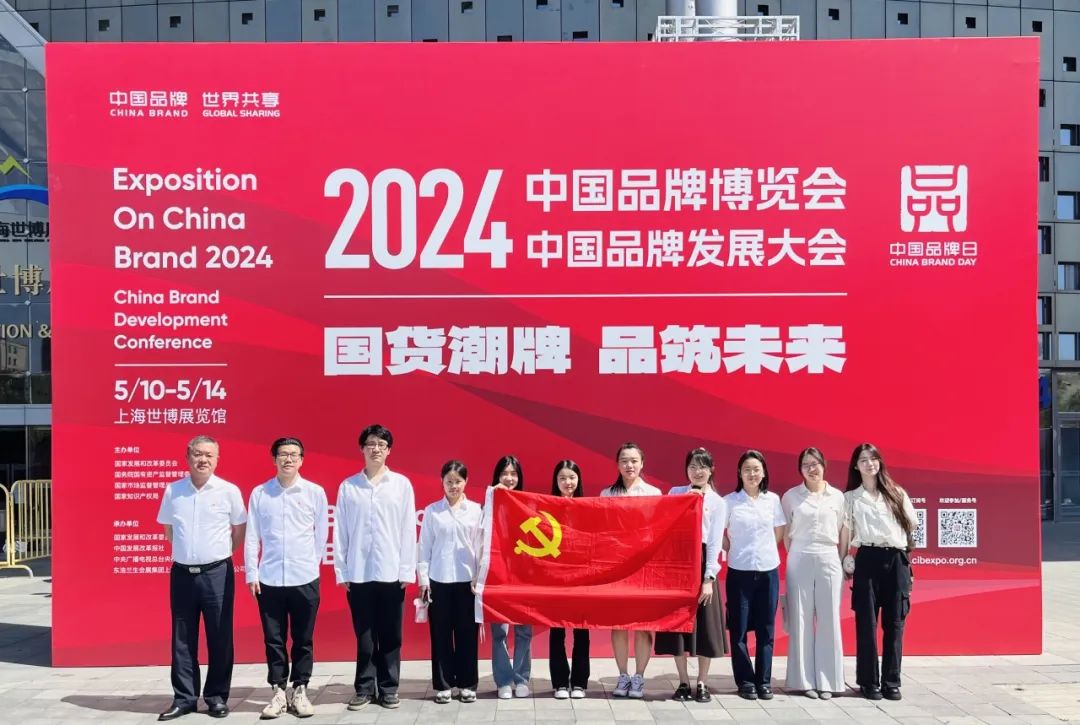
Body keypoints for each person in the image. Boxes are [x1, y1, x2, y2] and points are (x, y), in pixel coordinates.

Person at [155, 435, 246, 721]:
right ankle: (184, 699)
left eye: (209, 455)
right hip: (182, 574)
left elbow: (239, 530)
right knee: (182, 638)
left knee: (220, 636)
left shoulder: (229, 491)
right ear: (188, 456)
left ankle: (217, 697)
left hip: (217, 573)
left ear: (217, 459)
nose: (202, 459)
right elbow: (169, 530)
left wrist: (218, 555)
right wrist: (189, 554)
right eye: (197, 454)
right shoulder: (174, 490)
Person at [244, 437, 329, 719]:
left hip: (305, 577)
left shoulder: (314, 492)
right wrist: (252, 572)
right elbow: (252, 535)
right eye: (283, 454)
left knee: (303, 638)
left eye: (294, 454)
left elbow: (321, 534)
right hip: (269, 579)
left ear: (302, 460)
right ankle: (279, 691)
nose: (288, 459)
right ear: (274, 459)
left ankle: (300, 688)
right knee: (274, 639)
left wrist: (311, 564)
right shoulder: (260, 493)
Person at [333, 424, 417, 711]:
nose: (376, 449)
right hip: (358, 572)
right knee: (365, 635)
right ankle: (364, 688)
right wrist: (342, 571)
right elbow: (341, 531)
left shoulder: (401, 485)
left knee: (391, 634)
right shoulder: (349, 486)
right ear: (362, 448)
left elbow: (408, 529)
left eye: (382, 444)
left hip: (392, 571)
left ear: (389, 450)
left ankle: (389, 688)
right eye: (371, 444)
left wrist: (407, 569)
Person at [843, 443, 917, 702]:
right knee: (867, 623)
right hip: (867, 559)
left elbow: (910, 529)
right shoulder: (850, 498)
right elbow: (846, 533)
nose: (869, 463)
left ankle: (891, 682)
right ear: (856, 466)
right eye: (863, 460)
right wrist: (845, 561)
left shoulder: (897, 493)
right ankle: (868, 681)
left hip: (896, 559)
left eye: (873, 458)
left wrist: (907, 567)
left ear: (880, 462)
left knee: (895, 623)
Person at [655, 447, 728, 704]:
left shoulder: (718, 502)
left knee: (705, 627)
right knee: (677, 626)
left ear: (711, 470)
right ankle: (683, 681)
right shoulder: (676, 493)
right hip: (678, 563)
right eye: (693, 467)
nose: (697, 472)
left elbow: (715, 542)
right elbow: (664, 526)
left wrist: (709, 578)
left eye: (703, 467)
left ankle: (702, 682)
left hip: (703, 561)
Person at [417, 460, 483, 705]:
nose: (453, 486)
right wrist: (423, 580)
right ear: (442, 482)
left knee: (467, 635)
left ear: (466, 482)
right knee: (441, 635)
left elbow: (480, 547)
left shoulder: (475, 510)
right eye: (449, 481)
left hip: (468, 582)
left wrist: (479, 576)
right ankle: (443, 685)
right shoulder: (432, 511)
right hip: (439, 581)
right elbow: (424, 547)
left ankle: (467, 684)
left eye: (458, 481)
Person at [781, 447, 845, 700]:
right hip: (800, 555)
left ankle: (829, 681)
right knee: (800, 618)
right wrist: (799, 552)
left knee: (829, 619)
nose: (811, 469)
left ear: (823, 465)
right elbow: (786, 533)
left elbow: (842, 530)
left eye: (815, 463)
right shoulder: (791, 496)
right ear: (800, 469)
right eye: (806, 464)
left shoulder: (837, 496)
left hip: (829, 556)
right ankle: (803, 680)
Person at [600, 442, 661, 699]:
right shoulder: (607, 494)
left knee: (644, 625)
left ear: (642, 463)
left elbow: (659, 530)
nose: (629, 465)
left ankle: (639, 677)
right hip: (617, 569)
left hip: (645, 568)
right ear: (617, 464)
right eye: (624, 460)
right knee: (619, 624)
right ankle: (623, 675)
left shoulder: (654, 493)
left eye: (634, 460)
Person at [723, 450, 785, 701]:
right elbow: (720, 535)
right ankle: (746, 681)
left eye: (756, 469)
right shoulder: (729, 501)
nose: (752, 474)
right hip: (739, 570)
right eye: (747, 469)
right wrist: (736, 549)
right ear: (739, 473)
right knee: (738, 630)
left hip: (768, 570)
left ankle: (764, 680)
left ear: (763, 472)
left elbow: (778, 532)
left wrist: (763, 550)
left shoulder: (773, 500)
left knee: (766, 629)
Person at [487, 454, 533, 699]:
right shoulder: (490, 501)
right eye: (504, 473)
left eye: (513, 474)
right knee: (500, 632)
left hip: (524, 578)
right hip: (498, 576)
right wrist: (492, 497)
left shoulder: (528, 504)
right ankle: (503, 680)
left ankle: (522, 678)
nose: (509, 478)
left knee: (524, 631)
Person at [547, 460, 590, 700]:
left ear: (578, 480)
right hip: (556, 578)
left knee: (582, 631)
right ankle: (560, 682)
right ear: (556, 481)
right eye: (562, 478)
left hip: (582, 578)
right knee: (557, 631)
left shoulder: (589, 508)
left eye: (571, 477)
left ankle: (580, 682)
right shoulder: (545, 507)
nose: (567, 482)